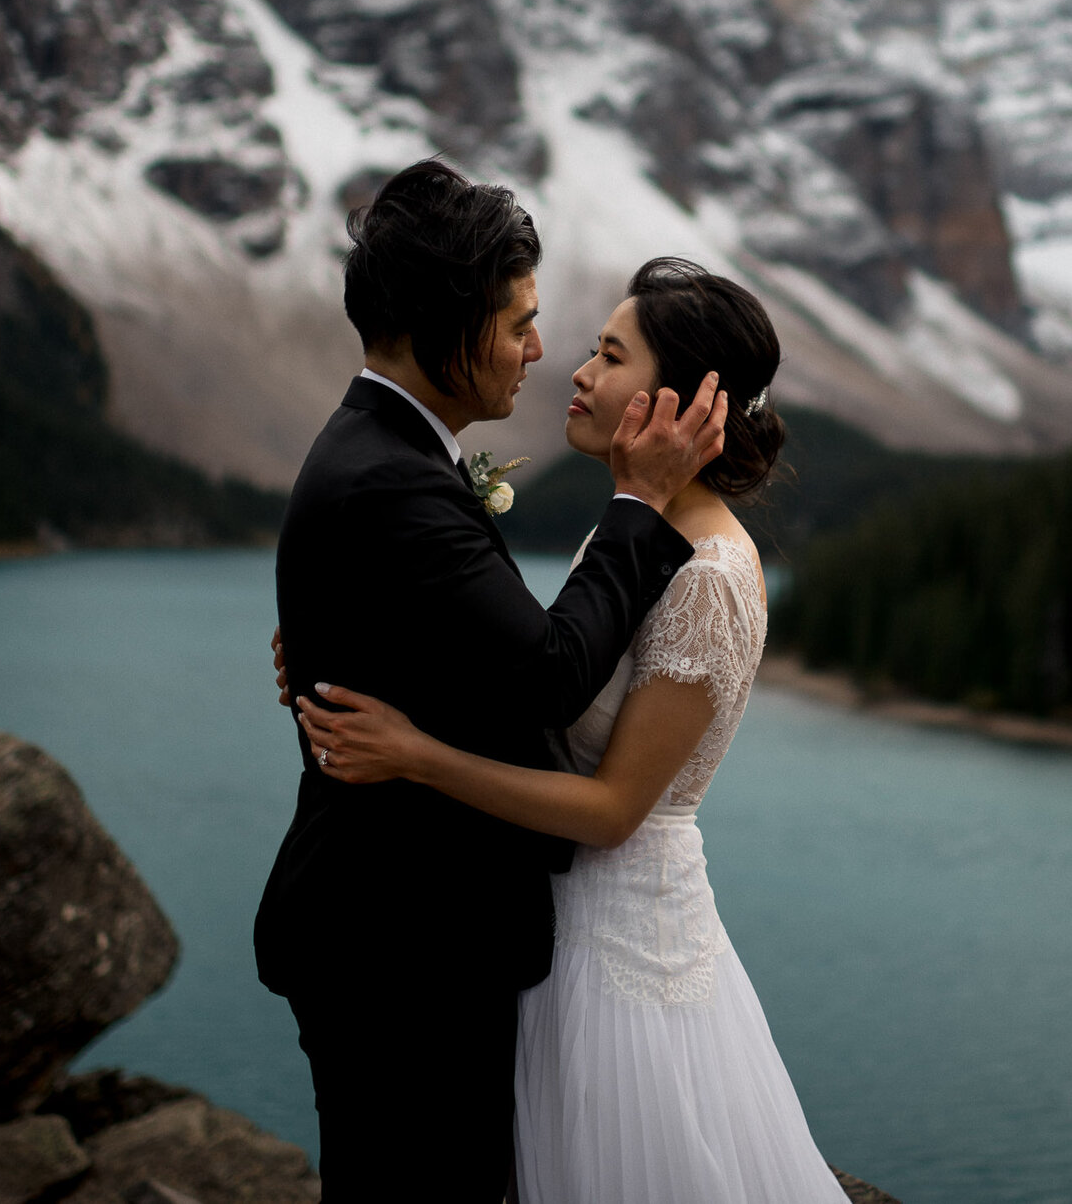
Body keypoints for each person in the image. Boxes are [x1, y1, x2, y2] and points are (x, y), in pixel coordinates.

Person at [294, 258, 851, 1204]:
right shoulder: (630, 527)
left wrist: (417, 756)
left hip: (624, 953)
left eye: (609, 354)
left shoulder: (711, 572)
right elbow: (529, 678)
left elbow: (611, 809)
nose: (576, 372)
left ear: (679, 400)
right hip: (554, 934)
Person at [256, 163, 728, 1204]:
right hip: (404, 954)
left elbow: (437, 649)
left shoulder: (382, 453)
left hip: (389, 937)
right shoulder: (393, 478)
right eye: (516, 322)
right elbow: (547, 675)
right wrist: (640, 503)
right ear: (448, 320)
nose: (535, 349)